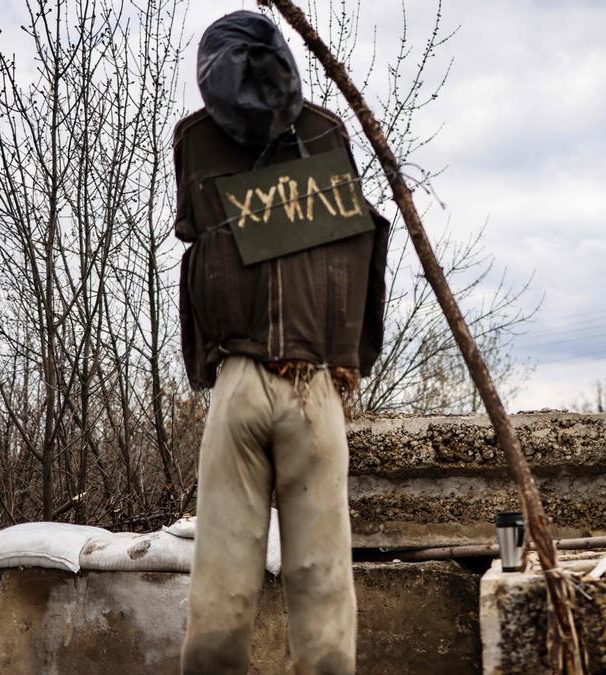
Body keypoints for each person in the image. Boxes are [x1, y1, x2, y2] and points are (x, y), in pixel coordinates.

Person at [173, 11, 389, 674]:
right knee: (321, 592)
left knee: (222, 591)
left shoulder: (193, 139)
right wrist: (349, 360)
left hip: (242, 376)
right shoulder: (326, 132)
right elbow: (361, 251)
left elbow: (194, 246)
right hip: (310, 384)